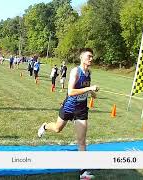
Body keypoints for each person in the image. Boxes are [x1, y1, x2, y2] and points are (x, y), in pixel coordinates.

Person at [37, 48, 98, 180]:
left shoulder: (89, 73)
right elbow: (70, 92)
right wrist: (89, 88)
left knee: (81, 140)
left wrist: (93, 93)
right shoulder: (76, 71)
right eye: (89, 56)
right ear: (82, 58)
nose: (91, 59)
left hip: (81, 110)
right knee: (58, 129)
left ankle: (83, 172)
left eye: (92, 57)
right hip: (69, 107)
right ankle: (45, 126)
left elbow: (87, 91)